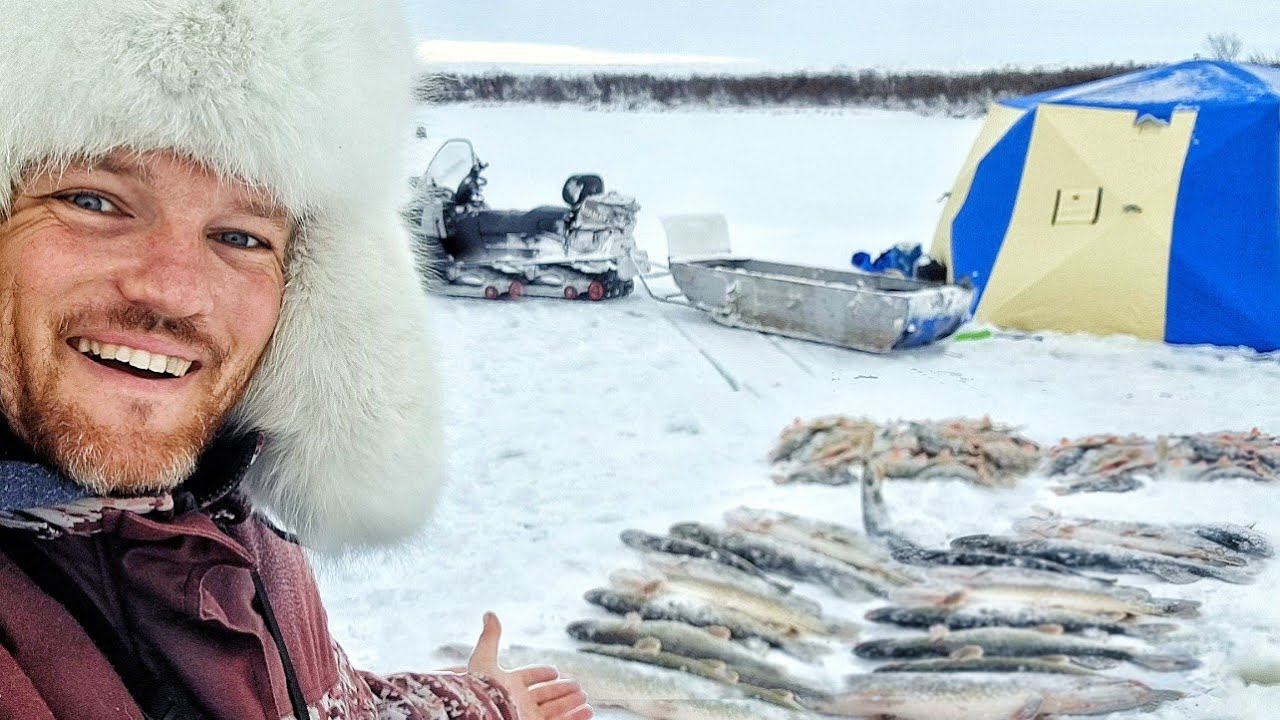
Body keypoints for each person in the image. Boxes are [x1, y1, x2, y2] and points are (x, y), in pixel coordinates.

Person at [0, 2, 590, 719]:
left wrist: (474, 705)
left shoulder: (227, 516)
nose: (175, 292)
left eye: (241, 237)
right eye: (93, 201)